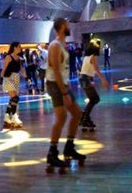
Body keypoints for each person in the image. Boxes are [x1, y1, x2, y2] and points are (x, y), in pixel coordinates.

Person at [45, 18, 86, 172]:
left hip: (62, 84)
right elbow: (55, 69)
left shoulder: (63, 45)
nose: (69, 27)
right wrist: (63, 92)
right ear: (62, 27)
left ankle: (69, 147)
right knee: (61, 117)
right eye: (68, 25)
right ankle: (52, 153)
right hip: (55, 85)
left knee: (76, 114)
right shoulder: (55, 45)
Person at [80, 39, 109, 130]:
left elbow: (87, 70)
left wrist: (91, 80)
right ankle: (84, 118)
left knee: (93, 99)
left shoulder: (86, 57)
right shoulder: (93, 57)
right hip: (85, 79)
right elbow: (97, 70)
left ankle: (85, 119)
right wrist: (104, 80)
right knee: (95, 99)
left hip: (83, 79)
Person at [1, 42, 26, 129]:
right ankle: (14, 117)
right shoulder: (8, 57)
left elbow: (21, 70)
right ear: (14, 47)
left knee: (12, 99)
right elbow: (4, 69)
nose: (21, 48)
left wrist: (27, 77)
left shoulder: (18, 58)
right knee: (15, 98)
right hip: (8, 78)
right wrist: (0, 80)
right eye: (19, 46)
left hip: (16, 78)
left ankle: (7, 117)